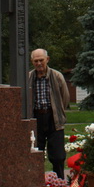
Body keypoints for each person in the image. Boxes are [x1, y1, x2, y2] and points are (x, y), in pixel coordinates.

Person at [28, 48, 71, 178]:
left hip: (53, 118)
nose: (39, 63)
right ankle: (36, 183)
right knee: (35, 153)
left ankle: (59, 184)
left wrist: (58, 112)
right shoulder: (29, 77)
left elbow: (65, 97)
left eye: (41, 60)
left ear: (47, 59)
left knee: (57, 156)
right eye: (36, 61)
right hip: (36, 118)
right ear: (32, 62)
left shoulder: (57, 76)